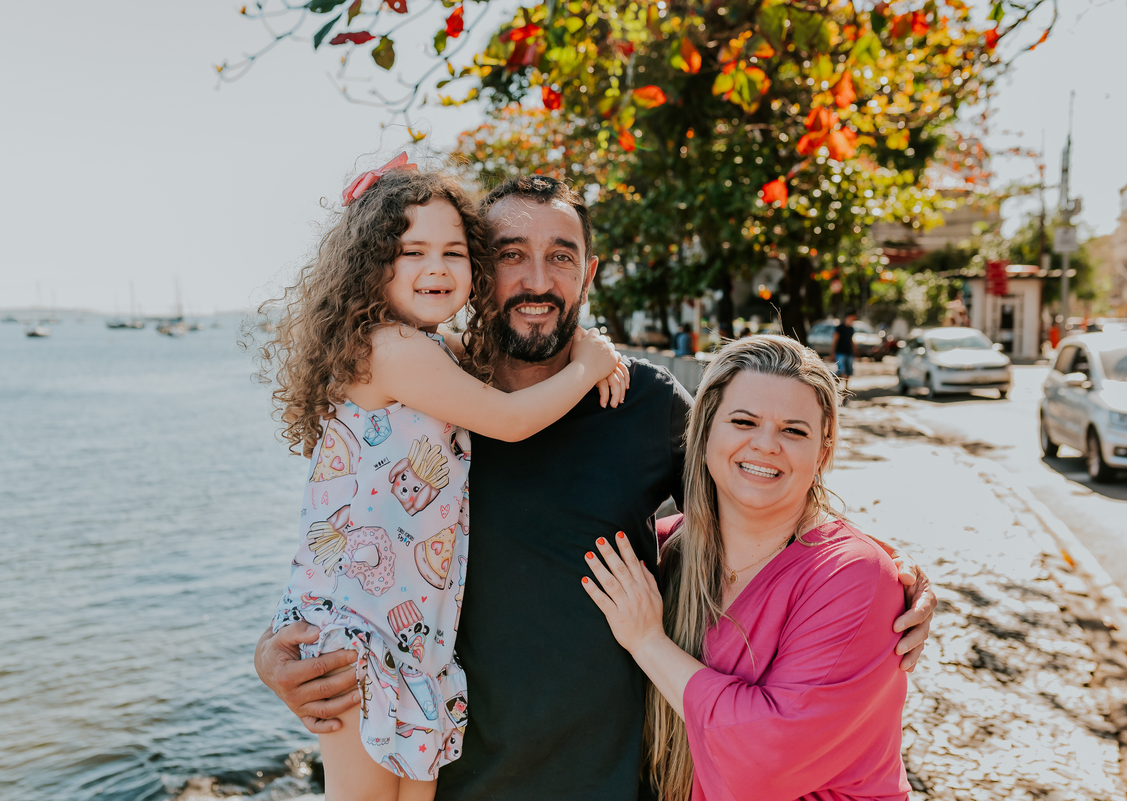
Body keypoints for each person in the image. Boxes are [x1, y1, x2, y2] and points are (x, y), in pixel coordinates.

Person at [254, 176, 937, 801]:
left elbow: (766, 505)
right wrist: (276, 651)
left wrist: (889, 574)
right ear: (479, 268)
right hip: (447, 779)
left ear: (589, 272)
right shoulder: (430, 402)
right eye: (510, 253)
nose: (537, 278)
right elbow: (352, 535)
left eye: (561, 255)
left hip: (609, 783)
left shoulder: (644, 404)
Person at [258, 158, 626, 801]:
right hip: (360, 631)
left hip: (413, 632)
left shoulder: (435, 351)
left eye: (455, 252)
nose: (437, 268)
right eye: (412, 251)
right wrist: (588, 363)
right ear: (371, 265)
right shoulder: (389, 349)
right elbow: (511, 422)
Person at [583, 336, 909, 800]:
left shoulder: (855, 577)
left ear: (823, 449)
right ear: (705, 430)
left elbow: (764, 764)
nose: (766, 445)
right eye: (743, 421)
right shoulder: (662, 552)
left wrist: (648, 642)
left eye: (794, 431)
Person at [831, 311, 857, 395]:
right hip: (840, 352)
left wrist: (856, 351)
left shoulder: (851, 329)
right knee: (841, 371)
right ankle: (834, 386)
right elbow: (835, 340)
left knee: (848, 372)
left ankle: (846, 389)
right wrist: (832, 352)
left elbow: (851, 341)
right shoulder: (840, 328)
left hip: (849, 352)